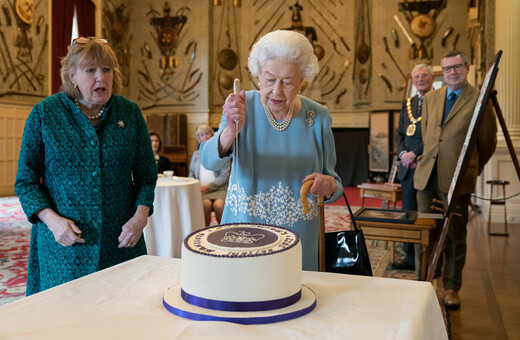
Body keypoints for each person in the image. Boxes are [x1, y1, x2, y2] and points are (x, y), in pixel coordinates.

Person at [14, 37, 157, 295]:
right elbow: (25, 182)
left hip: (121, 244)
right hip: (64, 249)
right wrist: (53, 221)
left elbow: (147, 175)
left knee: (121, 316)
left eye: (107, 69)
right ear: (72, 77)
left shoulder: (130, 113)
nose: (100, 77)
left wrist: (140, 218)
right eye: (90, 70)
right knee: (66, 320)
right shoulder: (45, 114)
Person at [199, 30, 343, 271]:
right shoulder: (241, 104)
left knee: (297, 300)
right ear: (257, 75)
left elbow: (335, 184)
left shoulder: (317, 116)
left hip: (299, 237)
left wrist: (328, 185)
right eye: (269, 79)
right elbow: (208, 161)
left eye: (287, 82)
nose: (277, 91)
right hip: (245, 233)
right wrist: (229, 132)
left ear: (301, 81)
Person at [414, 51, 497, 309]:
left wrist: (472, 168)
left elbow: (487, 143)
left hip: (457, 180)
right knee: (425, 232)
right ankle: (423, 281)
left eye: (457, 67)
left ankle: (451, 287)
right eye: (447, 68)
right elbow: (430, 137)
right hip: (427, 176)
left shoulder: (479, 100)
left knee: (455, 236)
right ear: (442, 71)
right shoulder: (432, 98)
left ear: (467, 68)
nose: (452, 72)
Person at [393, 64, 435, 271]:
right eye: (417, 76)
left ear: (432, 78)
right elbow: (399, 133)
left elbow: (435, 135)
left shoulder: (439, 102)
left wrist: (414, 154)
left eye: (424, 75)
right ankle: (409, 259)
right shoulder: (408, 103)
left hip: (427, 166)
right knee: (408, 213)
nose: (420, 79)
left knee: (425, 215)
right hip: (407, 168)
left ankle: (428, 260)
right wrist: (402, 154)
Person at [189, 124, 231, 226]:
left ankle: (225, 232)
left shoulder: (222, 152)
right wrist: (197, 188)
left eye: (206, 133)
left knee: (219, 205)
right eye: (201, 135)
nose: (204, 137)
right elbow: (191, 175)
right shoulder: (195, 155)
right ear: (199, 139)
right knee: (205, 205)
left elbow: (224, 176)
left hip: (219, 189)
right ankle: (204, 233)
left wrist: (208, 187)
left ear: (212, 135)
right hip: (202, 191)